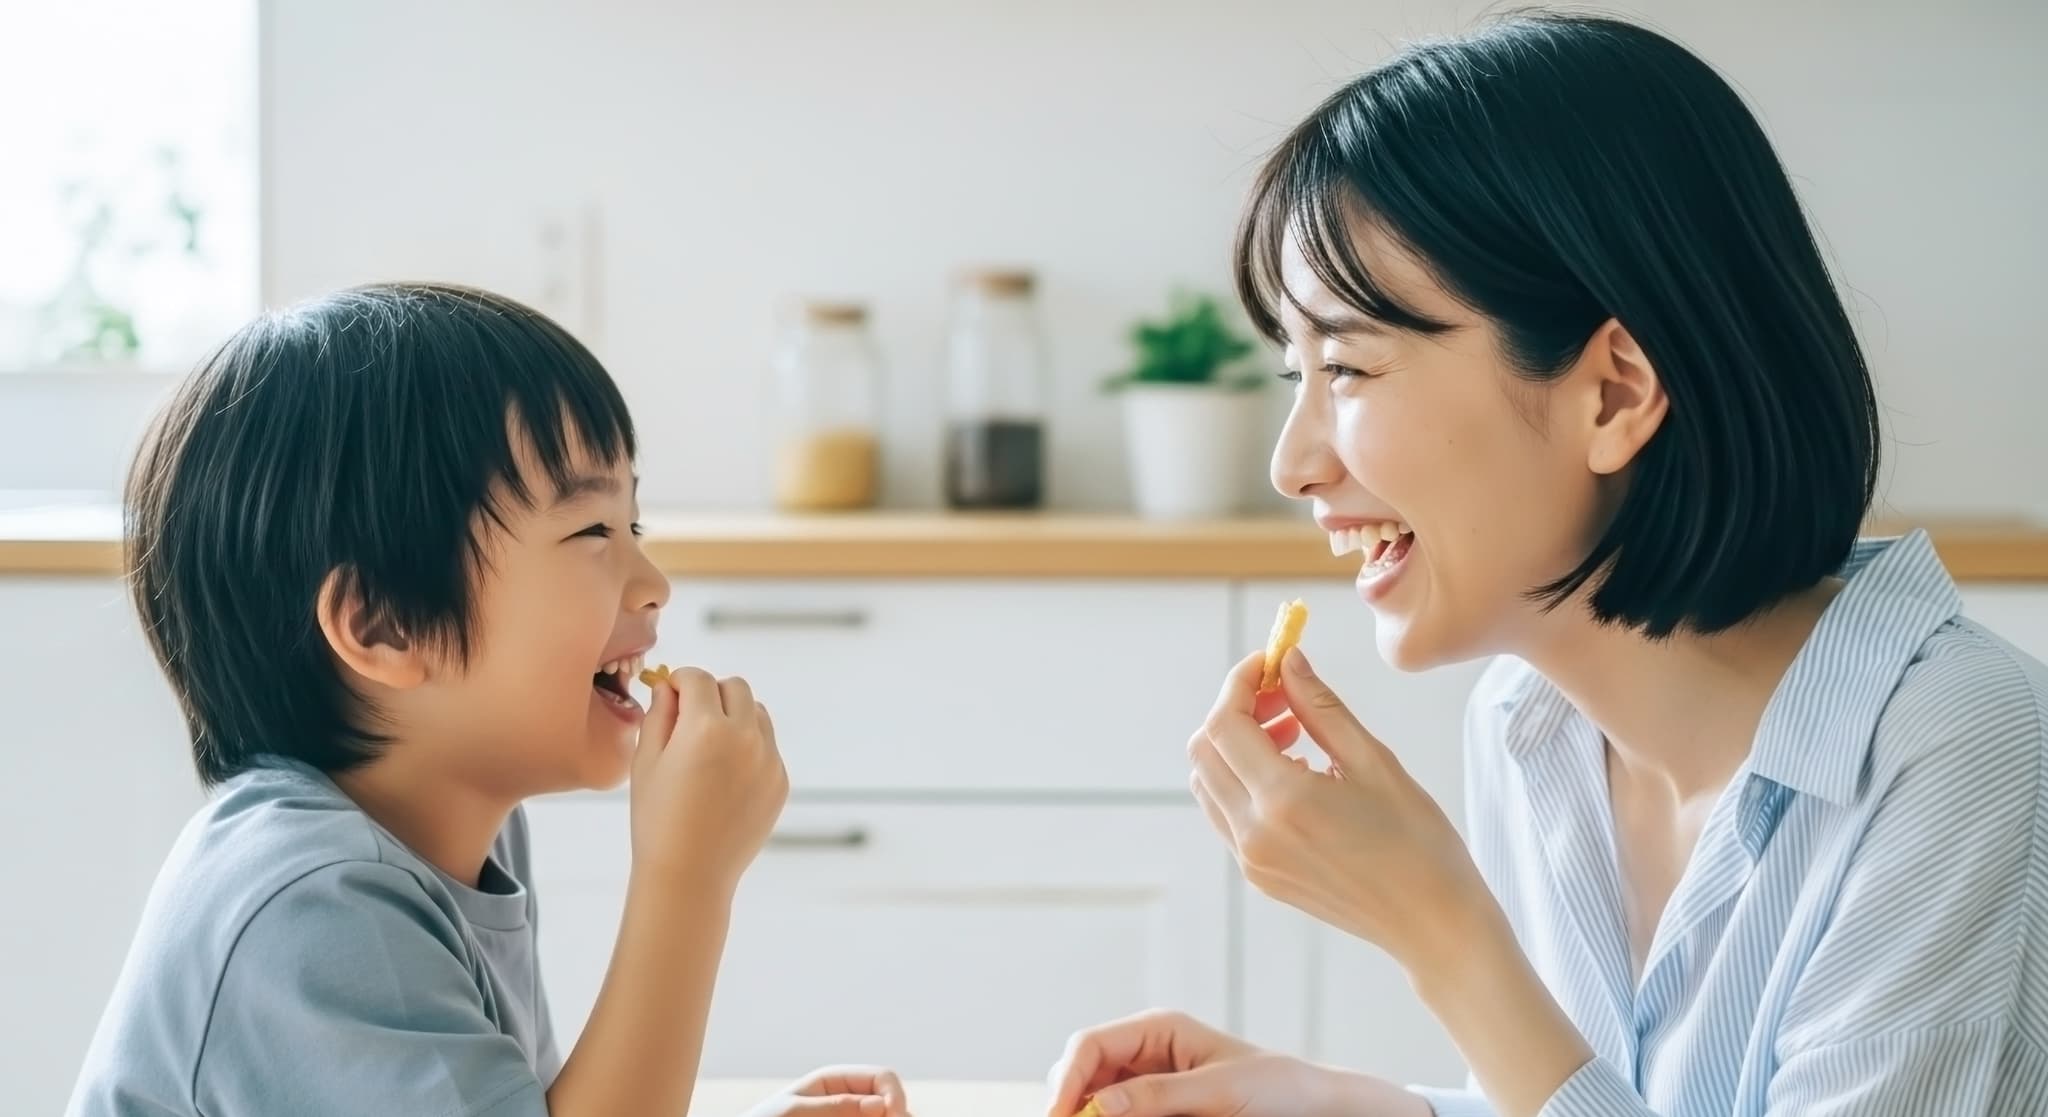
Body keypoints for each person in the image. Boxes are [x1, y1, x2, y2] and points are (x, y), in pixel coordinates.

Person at [1047, 12, 2047, 1117]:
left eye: (1348, 365)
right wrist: (1361, 1108)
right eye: (1296, 370)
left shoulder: (1953, 751)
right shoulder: (1530, 725)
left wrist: (1440, 932)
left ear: (1613, 391)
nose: (1292, 464)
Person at [67, 283, 910, 1117]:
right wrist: (687, 877)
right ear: (386, 624)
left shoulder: (466, 829)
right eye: (592, 533)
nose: (653, 586)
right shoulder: (315, 906)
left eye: (635, 529)